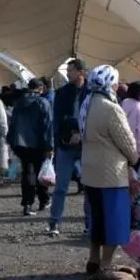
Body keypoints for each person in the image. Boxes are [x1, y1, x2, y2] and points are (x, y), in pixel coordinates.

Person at [78, 65, 139, 277]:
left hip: (90, 171)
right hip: (111, 173)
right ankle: (106, 264)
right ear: (109, 83)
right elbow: (126, 141)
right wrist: (135, 159)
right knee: (114, 220)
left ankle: (93, 259)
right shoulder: (111, 108)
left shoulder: (86, 104)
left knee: (96, 219)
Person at [48, 59, 88, 236]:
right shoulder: (62, 92)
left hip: (87, 145)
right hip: (66, 145)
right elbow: (58, 119)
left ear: (81, 72)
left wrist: (81, 132)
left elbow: (94, 116)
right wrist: (72, 131)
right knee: (61, 186)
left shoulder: (91, 92)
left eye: (71, 70)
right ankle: (54, 222)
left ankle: (89, 222)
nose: (68, 73)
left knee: (89, 186)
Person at [6, 77, 53, 214]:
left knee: (27, 172)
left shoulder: (19, 102)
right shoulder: (43, 102)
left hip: (20, 143)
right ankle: (44, 199)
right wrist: (49, 146)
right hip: (38, 143)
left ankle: (27, 203)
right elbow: (48, 126)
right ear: (40, 88)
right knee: (40, 172)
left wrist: (11, 142)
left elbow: (13, 123)